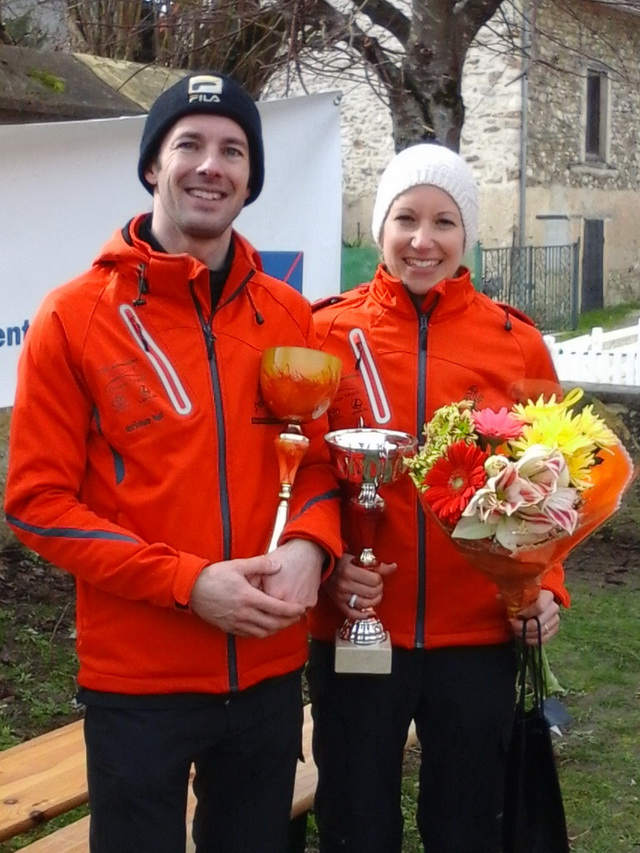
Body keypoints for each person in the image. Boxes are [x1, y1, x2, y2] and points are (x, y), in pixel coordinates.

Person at [4, 72, 342, 853]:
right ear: (153, 165)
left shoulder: (286, 312)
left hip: (264, 670)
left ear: (251, 178)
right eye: (187, 143)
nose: (209, 165)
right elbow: (36, 501)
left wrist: (310, 546)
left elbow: (318, 461)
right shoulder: (73, 316)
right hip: (139, 680)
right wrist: (189, 583)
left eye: (232, 149)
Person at [307, 143, 570, 853]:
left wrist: (543, 585)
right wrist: (329, 569)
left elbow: (553, 482)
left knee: (465, 826)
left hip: (478, 636)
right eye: (405, 218)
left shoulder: (516, 342)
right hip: (359, 631)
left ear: (467, 235)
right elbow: (302, 475)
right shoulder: (325, 332)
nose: (422, 240)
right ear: (378, 228)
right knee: (356, 825)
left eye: (444, 221)